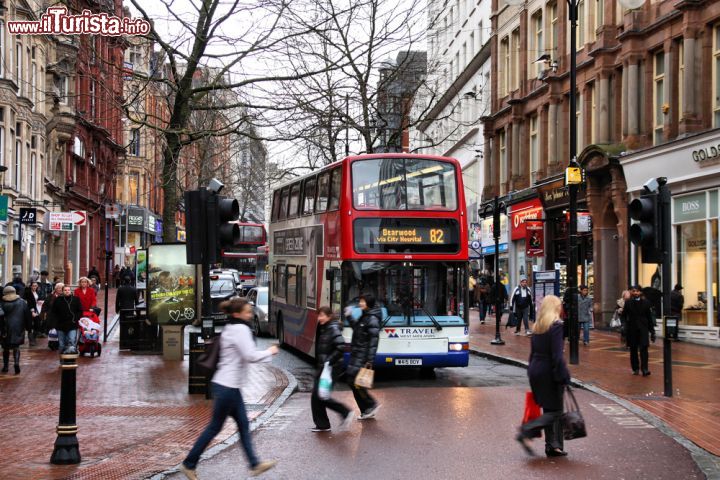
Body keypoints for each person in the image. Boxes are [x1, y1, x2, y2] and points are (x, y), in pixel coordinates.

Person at [181, 297, 278, 480]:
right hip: (228, 387)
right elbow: (250, 355)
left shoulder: (231, 327)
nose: (250, 314)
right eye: (248, 312)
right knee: (214, 427)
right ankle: (188, 464)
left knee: (242, 424)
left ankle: (254, 464)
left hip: (228, 386)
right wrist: (270, 352)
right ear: (237, 314)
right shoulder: (240, 329)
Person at [515, 295, 570, 457]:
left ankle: (552, 445)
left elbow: (533, 353)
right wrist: (564, 376)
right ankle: (527, 430)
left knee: (548, 409)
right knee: (556, 412)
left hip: (535, 369)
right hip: (549, 371)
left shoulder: (538, 326)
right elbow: (557, 356)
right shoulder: (556, 326)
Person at [311, 306, 355, 432]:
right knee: (317, 396)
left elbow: (341, 346)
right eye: (318, 315)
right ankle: (323, 424)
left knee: (320, 395)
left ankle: (345, 412)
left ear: (329, 316)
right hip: (325, 366)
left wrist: (329, 360)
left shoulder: (333, 328)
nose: (319, 318)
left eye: (322, 316)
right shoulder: (325, 327)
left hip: (331, 367)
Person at [343, 293, 381, 420]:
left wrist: (370, 360)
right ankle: (366, 409)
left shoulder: (372, 319)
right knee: (353, 381)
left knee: (354, 380)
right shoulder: (365, 317)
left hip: (362, 356)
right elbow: (357, 328)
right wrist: (349, 317)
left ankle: (371, 404)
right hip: (357, 354)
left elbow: (373, 341)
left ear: (368, 303)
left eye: (362, 301)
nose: (360, 303)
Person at [621, 284, 656, 376]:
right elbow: (623, 316)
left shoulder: (646, 303)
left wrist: (652, 331)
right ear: (631, 292)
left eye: (637, 291)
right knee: (633, 350)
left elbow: (649, 318)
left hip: (643, 329)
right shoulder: (628, 303)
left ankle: (645, 369)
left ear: (640, 292)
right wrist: (624, 325)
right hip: (632, 329)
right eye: (634, 291)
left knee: (644, 349)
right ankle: (635, 368)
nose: (635, 293)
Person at [1, 286, 31, 374]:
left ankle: (6, 366)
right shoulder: (22, 302)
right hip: (18, 327)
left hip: (5, 328)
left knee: (5, 348)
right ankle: (16, 363)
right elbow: (27, 316)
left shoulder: (2, 302)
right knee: (16, 347)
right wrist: (29, 328)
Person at [50, 285, 83, 354]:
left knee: (71, 341)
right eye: (65, 290)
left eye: (68, 290)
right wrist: (54, 324)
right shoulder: (58, 300)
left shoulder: (76, 299)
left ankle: (72, 359)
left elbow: (80, 311)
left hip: (72, 324)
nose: (67, 291)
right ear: (62, 291)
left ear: (71, 291)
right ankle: (62, 360)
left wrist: (76, 318)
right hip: (60, 325)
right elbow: (53, 312)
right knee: (62, 344)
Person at [23, 282, 40, 346]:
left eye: (36, 286)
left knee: (38, 324)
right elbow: (29, 302)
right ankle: (31, 340)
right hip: (29, 310)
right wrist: (32, 311)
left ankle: (33, 337)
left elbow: (36, 300)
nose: (34, 287)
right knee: (29, 325)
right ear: (31, 286)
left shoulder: (37, 292)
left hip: (37, 309)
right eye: (33, 286)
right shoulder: (28, 293)